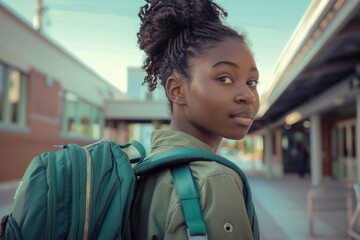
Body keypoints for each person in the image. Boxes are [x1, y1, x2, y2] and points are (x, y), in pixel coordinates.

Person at [131, 0, 260, 239]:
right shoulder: (212, 179)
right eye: (225, 78)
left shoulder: (147, 169)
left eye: (252, 82)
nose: (247, 95)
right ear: (177, 90)